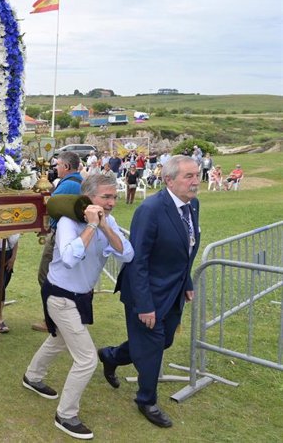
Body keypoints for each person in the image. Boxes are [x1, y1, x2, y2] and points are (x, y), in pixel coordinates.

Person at [22, 175, 134, 440]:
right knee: (86, 359)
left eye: (114, 197)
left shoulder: (110, 221)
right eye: (106, 197)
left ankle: (32, 376)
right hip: (60, 295)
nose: (112, 203)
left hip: (81, 295)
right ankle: (66, 415)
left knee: (59, 340)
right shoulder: (67, 223)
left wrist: (105, 227)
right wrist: (91, 227)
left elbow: (127, 253)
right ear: (88, 198)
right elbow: (70, 258)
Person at [98, 155, 201, 428]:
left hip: (174, 290)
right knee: (153, 347)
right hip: (146, 292)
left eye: (197, 175)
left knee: (162, 341)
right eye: (188, 176)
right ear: (168, 180)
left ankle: (111, 356)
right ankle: (146, 400)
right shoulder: (150, 209)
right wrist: (144, 305)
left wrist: (187, 281)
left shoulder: (192, 205)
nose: (195, 181)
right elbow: (138, 260)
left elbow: (186, 248)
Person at [33, 152, 83, 332]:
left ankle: (52, 321)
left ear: (67, 167)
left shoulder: (68, 184)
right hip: (72, 236)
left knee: (46, 276)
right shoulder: (80, 183)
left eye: (58, 165)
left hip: (59, 236)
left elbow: (50, 205)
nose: (55, 168)